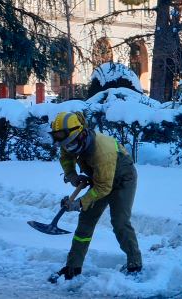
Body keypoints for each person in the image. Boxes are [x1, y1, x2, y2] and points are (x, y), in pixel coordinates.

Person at [48, 112, 142, 282]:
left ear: (80, 134)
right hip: (99, 177)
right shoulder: (68, 140)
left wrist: (80, 203)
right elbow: (66, 157)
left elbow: (104, 187)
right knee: (86, 221)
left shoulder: (101, 151)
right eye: (65, 145)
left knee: (120, 222)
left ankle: (135, 263)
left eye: (70, 144)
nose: (68, 147)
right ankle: (73, 267)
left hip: (123, 179)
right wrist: (72, 176)